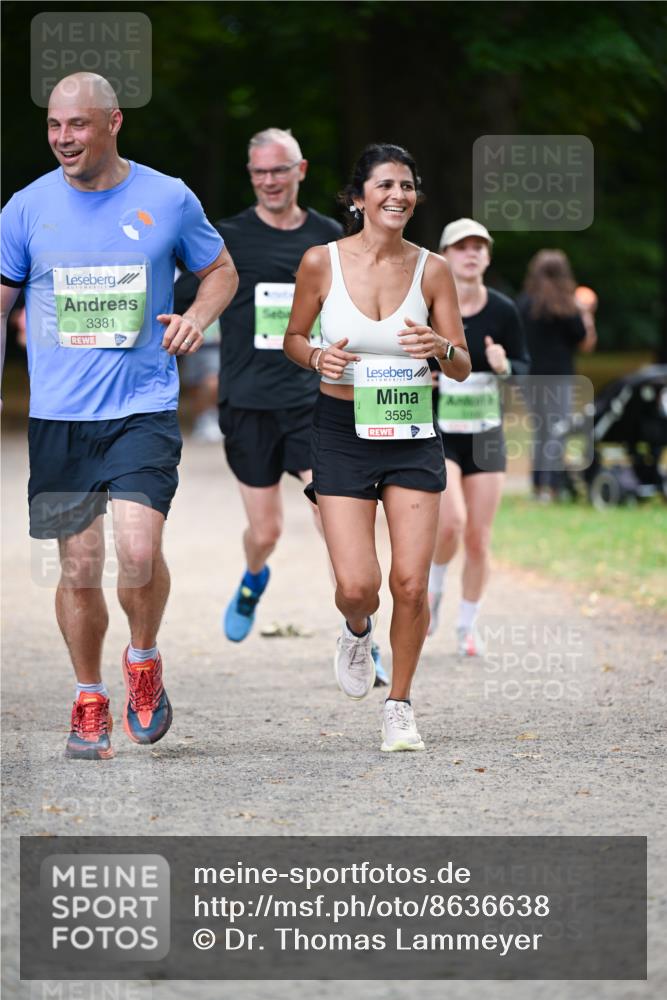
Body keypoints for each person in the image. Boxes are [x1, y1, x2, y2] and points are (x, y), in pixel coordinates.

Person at [0, 73, 238, 760]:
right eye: (53, 126)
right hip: (59, 417)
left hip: (142, 406)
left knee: (136, 553)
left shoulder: (167, 198)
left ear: (113, 122)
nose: (62, 139)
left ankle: (143, 660)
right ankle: (87, 697)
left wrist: (195, 318)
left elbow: (220, 271)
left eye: (76, 126)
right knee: (78, 566)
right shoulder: (25, 208)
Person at [178, 127, 389, 682]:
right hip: (247, 402)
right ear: (252, 177)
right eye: (259, 173)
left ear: (301, 170)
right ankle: (253, 578)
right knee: (266, 531)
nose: (270, 181)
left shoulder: (330, 237)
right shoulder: (226, 239)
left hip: (313, 401)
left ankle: (359, 629)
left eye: (280, 170)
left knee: (331, 518)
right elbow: (182, 296)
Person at [284, 143, 470, 751]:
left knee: (411, 583)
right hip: (340, 431)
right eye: (385, 185)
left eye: (408, 186)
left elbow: (463, 365)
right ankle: (358, 629)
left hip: (411, 431)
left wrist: (438, 346)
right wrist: (316, 355)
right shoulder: (321, 262)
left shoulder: (433, 269)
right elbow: (292, 336)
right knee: (359, 584)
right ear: (357, 197)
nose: (398, 195)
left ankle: (400, 706)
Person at [427, 219, 530, 656]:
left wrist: (504, 365)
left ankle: (467, 625)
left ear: (487, 256)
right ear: (446, 256)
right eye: (461, 247)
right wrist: (424, 375)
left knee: (479, 537)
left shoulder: (504, 310)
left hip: (486, 434)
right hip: (440, 432)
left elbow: (525, 370)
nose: (471, 254)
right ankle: (433, 584)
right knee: (451, 522)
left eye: (479, 247)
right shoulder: (428, 306)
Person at [518, 249, 597, 500]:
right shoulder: (567, 306)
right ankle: (551, 488)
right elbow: (586, 343)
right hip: (558, 376)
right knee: (557, 430)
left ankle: (537, 485)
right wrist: (586, 314)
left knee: (540, 430)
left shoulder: (522, 303)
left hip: (529, 377)